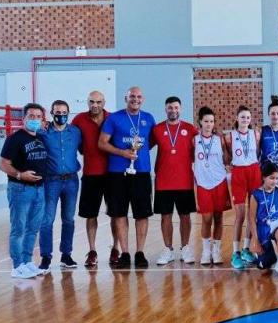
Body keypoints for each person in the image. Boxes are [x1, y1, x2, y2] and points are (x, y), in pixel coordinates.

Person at [98, 86, 156, 269]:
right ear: (126, 98)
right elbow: (102, 143)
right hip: (117, 174)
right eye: (132, 96)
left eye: (138, 97)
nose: (135, 99)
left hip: (142, 172)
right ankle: (124, 253)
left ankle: (140, 253)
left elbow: (151, 142)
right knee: (119, 213)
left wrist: (137, 152)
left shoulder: (148, 118)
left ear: (142, 99)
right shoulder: (114, 118)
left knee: (142, 214)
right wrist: (122, 153)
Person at [0, 103, 48, 279]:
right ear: (24, 118)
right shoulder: (14, 139)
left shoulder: (41, 138)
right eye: (31, 116)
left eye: (38, 117)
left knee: (33, 228)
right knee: (18, 228)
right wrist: (20, 175)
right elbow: (3, 164)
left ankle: (27, 262)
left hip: (39, 189)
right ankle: (17, 265)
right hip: (20, 189)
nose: (35, 119)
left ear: (42, 120)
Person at [151, 97, 199, 266]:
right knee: (166, 216)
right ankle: (168, 249)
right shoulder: (157, 129)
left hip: (184, 180)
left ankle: (185, 248)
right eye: (170, 107)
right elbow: (142, 147)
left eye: (176, 107)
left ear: (181, 109)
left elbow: (201, 149)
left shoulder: (190, 129)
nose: (173, 110)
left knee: (185, 215)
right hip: (163, 181)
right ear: (166, 109)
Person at [72, 91, 116, 267]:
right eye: (92, 101)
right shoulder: (78, 120)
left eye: (98, 102)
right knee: (91, 215)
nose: (95, 105)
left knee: (115, 214)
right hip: (90, 175)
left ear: (104, 102)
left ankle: (116, 249)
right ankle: (92, 251)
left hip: (112, 174)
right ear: (87, 102)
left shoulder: (113, 118)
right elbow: (73, 143)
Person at [38, 99, 82, 273]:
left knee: (68, 219)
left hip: (71, 181)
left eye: (64, 113)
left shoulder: (75, 132)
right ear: (52, 113)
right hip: (51, 181)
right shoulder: (43, 132)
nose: (61, 115)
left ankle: (66, 255)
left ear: (68, 114)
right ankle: (46, 257)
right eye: (58, 112)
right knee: (47, 219)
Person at [224, 105, 261, 270]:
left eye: (247, 117)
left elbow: (258, 152)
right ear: (237, 118)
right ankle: (235, 253)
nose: (245, 120)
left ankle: (246, 249)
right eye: (242, 117)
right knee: (240, 215)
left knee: (252, 213)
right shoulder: (229, 137)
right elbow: (227, 156)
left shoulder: (256, 134)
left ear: (250, 119)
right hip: (238, 173)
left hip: (254, 171)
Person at [193, 106, 229, 265]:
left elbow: (227, 159)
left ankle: (217, 250)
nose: (209, 124)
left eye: (212, 121)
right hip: (203, 183)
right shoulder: (194, 140)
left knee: (219, 217)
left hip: (219, 182)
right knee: (206, 218)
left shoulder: (219, 139)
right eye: (206, 121)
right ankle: (206, 251)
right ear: (200, 122)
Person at [250, 162, 278, 280]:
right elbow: (251, 218)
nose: (275, 181)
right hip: (263, 227)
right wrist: (255, 240)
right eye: (271, 178)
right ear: (263, 177)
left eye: (277, 178)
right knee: (264, 271)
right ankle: (272, 257)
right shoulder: (256, 195)